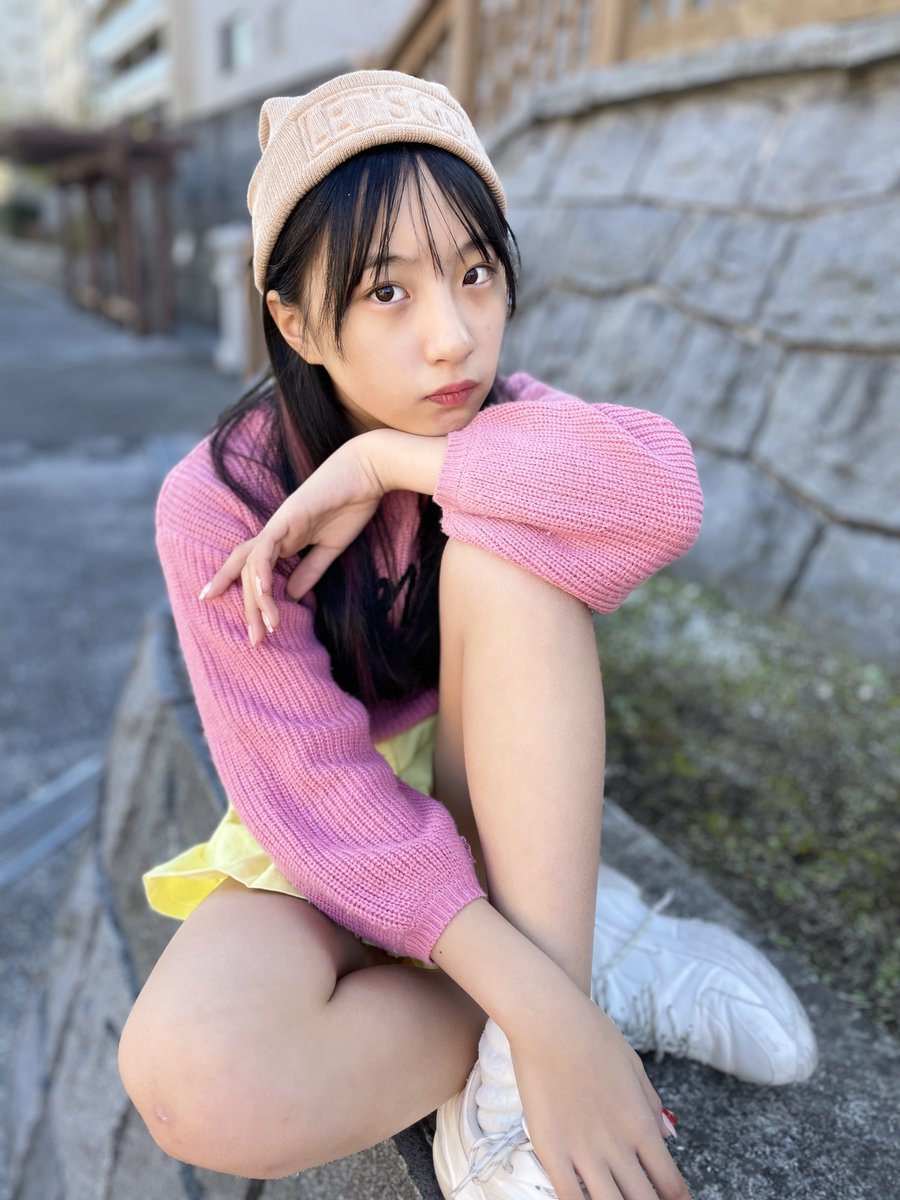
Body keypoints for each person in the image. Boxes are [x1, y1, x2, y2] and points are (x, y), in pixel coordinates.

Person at [118, 71, 816, 1199]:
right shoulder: (221, 501)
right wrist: (552, 1019)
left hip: (495, 799)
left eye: (475, 273)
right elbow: (310, 787)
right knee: (194, 1084)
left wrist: (391, 461)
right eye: (387, 292)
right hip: (328, 829)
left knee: (506, 548)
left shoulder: (509, 427)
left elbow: (664, 498)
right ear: (295, 322)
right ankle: (582, 978)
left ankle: (514, 1072)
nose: (451, 338)